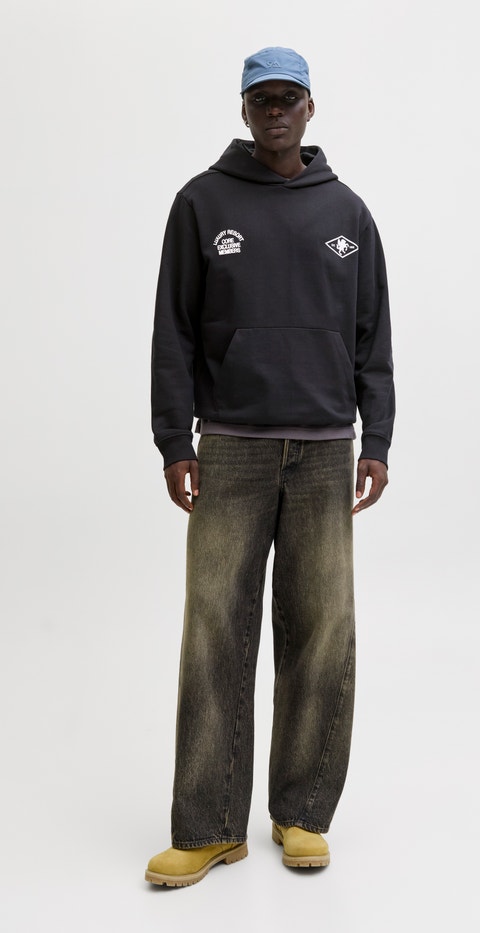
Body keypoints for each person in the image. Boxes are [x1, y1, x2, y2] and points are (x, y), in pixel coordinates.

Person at [145, 46, 395, 887]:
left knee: (323, 630)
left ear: (310, 107)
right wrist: (174, 441)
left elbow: (373, 336)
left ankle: (302, 813)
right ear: (245, 109)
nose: (276, 111)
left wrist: (377, 439)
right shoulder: (201, 202)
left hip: (325, 450)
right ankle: (209, 824)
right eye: (262, 100)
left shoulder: (348, 213)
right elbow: (174, 330)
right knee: (214, 631)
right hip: (231, 447)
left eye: (289, 98)